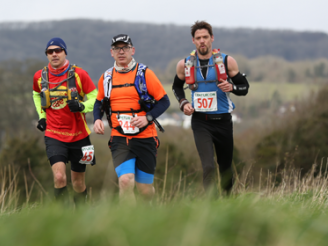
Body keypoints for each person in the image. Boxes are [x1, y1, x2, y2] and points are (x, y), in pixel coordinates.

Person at [172, 21, 249, 193]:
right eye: (198, 38)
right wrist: (183, 103)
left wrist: (232, 88)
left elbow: (244, 88)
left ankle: (227, 204)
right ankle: (210, 207)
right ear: (193, 41)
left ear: (212, 38)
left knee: (225, 168)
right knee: (208, 166)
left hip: (223, 121)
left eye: (205, 37)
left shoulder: (227, 62)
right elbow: (176, 87)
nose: (202, 41)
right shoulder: (184, 65)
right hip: (201, 122)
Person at [93, 34, 170, 203]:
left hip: (145, 138)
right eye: (117, 48)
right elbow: (99, 102)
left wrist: (147, 118)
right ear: (111, 53)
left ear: (132, 50)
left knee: (144, 189)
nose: (121, 52)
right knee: (125, 181)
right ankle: (128, 225)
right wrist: (97, 119)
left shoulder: (145, 74)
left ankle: (150, 216)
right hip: (120, 138)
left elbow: (164, 101)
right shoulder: (106, 77)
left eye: (125, 48)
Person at [32, 37, 97, 205]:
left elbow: (96, 98)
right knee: (59, 177)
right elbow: (36, 95)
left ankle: (81, 217)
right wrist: (42, 117)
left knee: (78, 182)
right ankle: (62, 221)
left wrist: (82, 106)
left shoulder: (80, 74)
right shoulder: (40, 76)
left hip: (80, 136)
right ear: (46, 55)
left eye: (58, 50)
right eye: (50, 52)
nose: (54, 54)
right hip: (54, 134)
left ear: (65, 52)